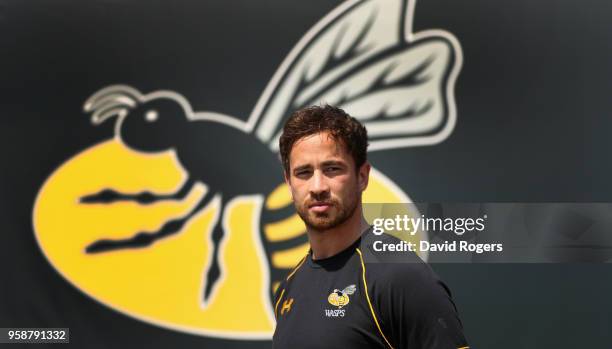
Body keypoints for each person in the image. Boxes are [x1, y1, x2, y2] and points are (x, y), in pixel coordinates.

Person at [272, 105, 469, 349]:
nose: (318, 186)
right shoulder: (288, 289)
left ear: (362, 176)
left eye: (332, 169)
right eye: (303, 172)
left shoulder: (401, 277)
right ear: (289, 184)